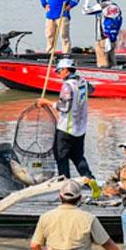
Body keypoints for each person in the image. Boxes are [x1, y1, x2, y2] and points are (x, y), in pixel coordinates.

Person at [31, 179, 126, 250]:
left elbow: (35, 245)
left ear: (60, 197)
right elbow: (106, 243)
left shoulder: (45, 217)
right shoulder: (89, 218)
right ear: (80, 198)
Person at [36, 58, 97, 187]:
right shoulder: (83, 82)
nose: (58, 74)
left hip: (66, 128)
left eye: (59, 71)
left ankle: (65, 184)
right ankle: (90, 180)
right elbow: (92, 90)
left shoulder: (67, 85)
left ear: (66, 70)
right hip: (80, 128)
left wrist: (46, 102)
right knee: (78, 156)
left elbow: (64, 107)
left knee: (61, 157)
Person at [82, 0, 122, 68]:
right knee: (112, 63)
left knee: (102, 65)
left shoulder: (101, 6)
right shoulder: (115, 5)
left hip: (102, 40)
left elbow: (84, 11)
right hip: (112, 39)